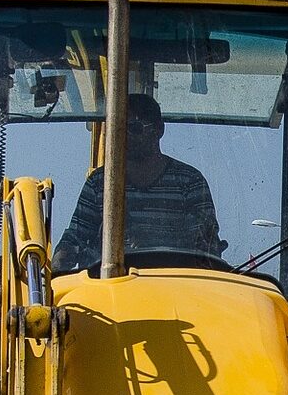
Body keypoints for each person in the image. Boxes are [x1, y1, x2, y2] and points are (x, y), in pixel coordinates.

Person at [52, 93, 223, 272]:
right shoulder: (99, 183)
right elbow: (75, 238)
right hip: (108, 290)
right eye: (118, 128)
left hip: (177, 287)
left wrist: (150, 242)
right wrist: (57, 266)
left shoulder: (189, 182)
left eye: (134, 128)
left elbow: (204, 246)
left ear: (159, 130)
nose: (125, 136)